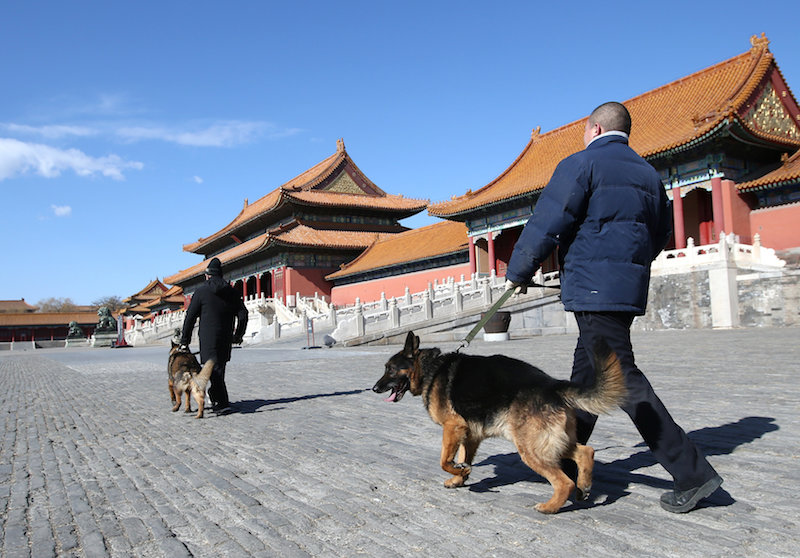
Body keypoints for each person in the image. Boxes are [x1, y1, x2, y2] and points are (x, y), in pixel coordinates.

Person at [505, 102, 723, 513]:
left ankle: (693, 474)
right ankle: (568, 463)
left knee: (621, 379)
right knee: (584, 383)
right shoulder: (647, 175)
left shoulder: (582, 164)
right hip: (624, 289)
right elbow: (660, 234)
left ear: (595, 128)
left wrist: (518, 271)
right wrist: (627, 269)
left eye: (585, 131)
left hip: (592, 289)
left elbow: (549, 221)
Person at [180, 257, 248, 414]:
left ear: (207, 275)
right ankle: (216, 396)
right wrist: (238, 334)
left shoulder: (201, 291)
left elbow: (190, 317)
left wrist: (185, 341)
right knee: (218, 368)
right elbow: (243, 314)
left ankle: (222, 402)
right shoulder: (231, 292)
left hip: (208, 337)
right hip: (226, 336)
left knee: (213, 369)